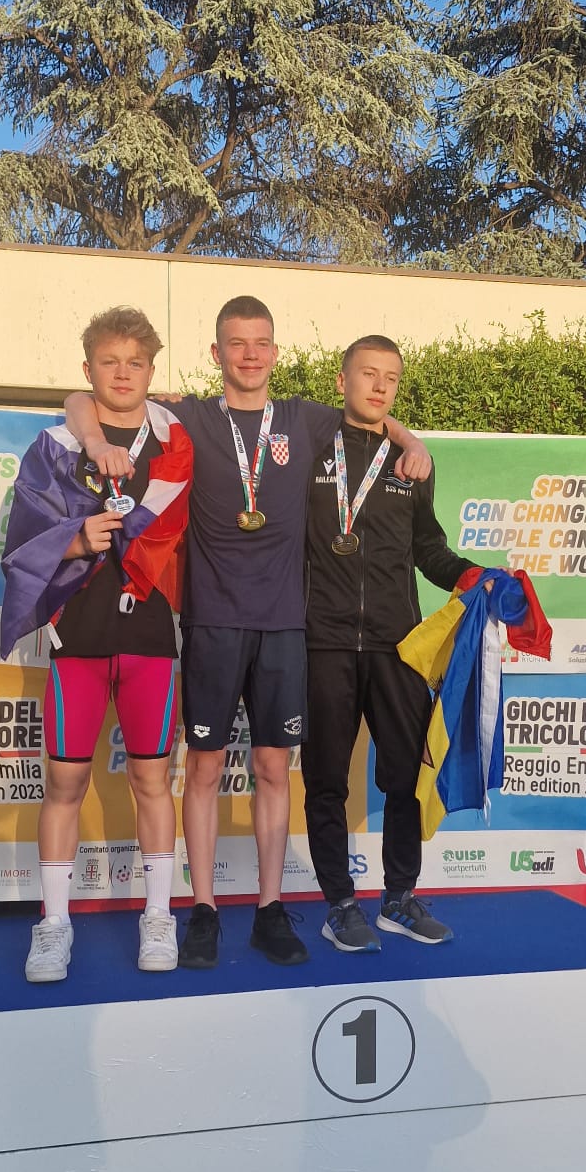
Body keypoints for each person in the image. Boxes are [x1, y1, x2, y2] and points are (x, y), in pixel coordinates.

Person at [66, 295, 429, 969]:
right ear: (217, 353)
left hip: (285, 624)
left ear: (276, 352)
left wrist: (411, 441)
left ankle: (269, 909)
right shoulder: (192, 417)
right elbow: (80, 400)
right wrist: (92, 441)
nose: (250, 354)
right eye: (237, 343)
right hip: (211, 621)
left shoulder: (302, 419)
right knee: (203, 768)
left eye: (261, 342)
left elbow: (370, 411)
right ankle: (204, 910)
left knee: (271, 769)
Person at [0, 306, 192, 984]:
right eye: (109, 361)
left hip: (150, 638)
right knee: (64, 783)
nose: (123, 373)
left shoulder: (175, 441)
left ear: (152, 369)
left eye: (136, 362)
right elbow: (20, 544)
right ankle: (53, 924)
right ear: (88, 368)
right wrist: (76, 541)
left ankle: (158, 916)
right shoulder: (57, 445)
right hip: (78, 639)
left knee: (152, 781)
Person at [302, 335, 474, 952]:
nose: (379, 387)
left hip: (399, 647)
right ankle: (339, 904)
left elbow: (428, 549)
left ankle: (399, 898)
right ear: (342, 379)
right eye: (368, 374)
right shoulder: (309, 446)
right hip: (323, 642)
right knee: (326, 781)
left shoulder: (411, 465)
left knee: (404, 776)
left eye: (391, 378)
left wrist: (474, 576)